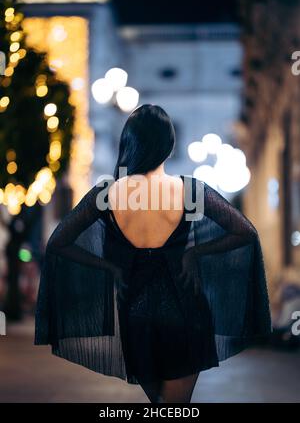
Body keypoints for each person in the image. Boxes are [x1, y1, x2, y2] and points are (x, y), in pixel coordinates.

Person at [34, 104, 272, 403]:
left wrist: (109, 267)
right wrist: (194, 254)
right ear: (169, 146)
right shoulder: (189, 190)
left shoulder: (108, 193)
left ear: (129, 143)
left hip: (136, 313)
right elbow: (245, 232)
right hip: (187, 313)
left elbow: (58, 243)